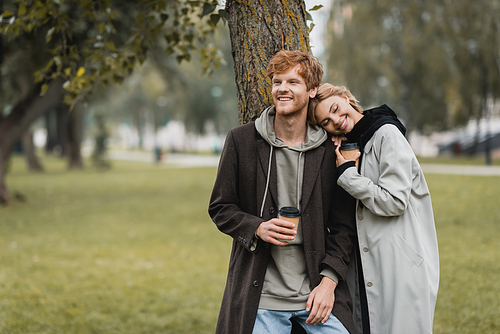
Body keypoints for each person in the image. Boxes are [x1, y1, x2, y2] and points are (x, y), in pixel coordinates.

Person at [208, 51, 357, 334]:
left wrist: (328, 284)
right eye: (277, 82)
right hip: (260, 295)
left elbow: (343, 226)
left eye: (293, 82)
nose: (282, 89)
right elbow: (220, 207)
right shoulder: (240, 141)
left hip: (317, 292)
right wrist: (257, 228)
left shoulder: (330, 150)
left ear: (312, 90)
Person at [308, 84, 440, 334]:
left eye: (336, 109)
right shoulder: (349, 144)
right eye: (326, 121)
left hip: (400, 264)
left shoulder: (386, 134)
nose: (336, 120)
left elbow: (394, 201)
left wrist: (347, 175)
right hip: (367, 266)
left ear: (346, 98)